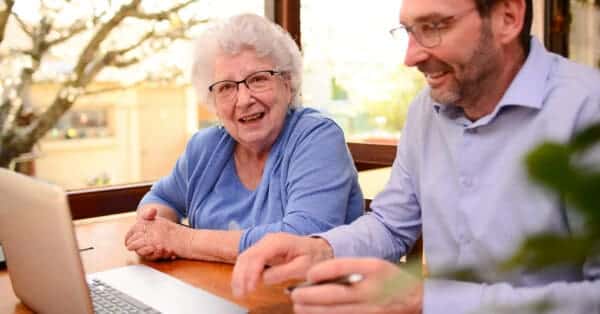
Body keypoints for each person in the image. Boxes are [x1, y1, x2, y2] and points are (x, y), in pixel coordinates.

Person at [231, 0, 600, 313]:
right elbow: (391, 226)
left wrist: (426, 299)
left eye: (434, 27)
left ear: (507, 17)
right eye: (408, 30)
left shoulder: (588, 110)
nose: (411, 56)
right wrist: (321, 249)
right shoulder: (425, 109)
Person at [124, 13, 364, 264]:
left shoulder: (316, 138)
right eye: (226, 87)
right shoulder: (205, 147)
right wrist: (151, 231)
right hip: (213, 294)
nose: (243, 99)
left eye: (258, 79)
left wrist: (182, 240)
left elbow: (301, 238)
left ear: (288, 83)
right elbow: (161, 199)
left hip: (305, 298)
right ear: (213, 101)